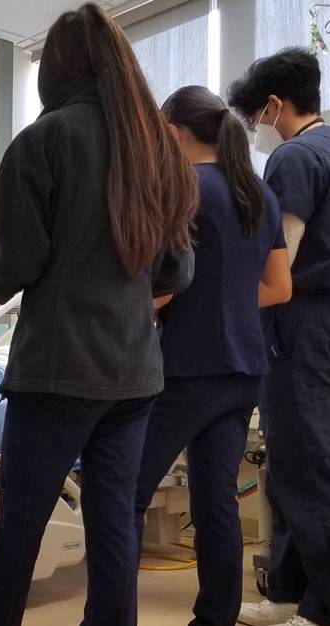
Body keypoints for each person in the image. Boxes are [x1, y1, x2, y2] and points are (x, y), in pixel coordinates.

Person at [0, 5, 198, 626]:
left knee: (19, 525)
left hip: (58, 373)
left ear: (57, 68)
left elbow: (16, 266)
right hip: (135, 377)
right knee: (116, 523)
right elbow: (178, 272)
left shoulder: (43, 141)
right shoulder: (159, 153)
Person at [134, 86, 292, 626]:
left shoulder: (180, 188)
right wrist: (223, 299)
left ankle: (110, 613)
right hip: (247, 368)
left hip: (188, 367)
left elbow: (162, 287)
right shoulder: (258, 192)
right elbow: (279, 287)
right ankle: (215, 619)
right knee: (216, 502)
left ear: (173, 132)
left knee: (126, 493)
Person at [229, 48, 330, 626]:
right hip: (316, 325)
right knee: (300, 463)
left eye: (258, 116)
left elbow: (278, 268)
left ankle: (320, 606)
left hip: (300, 326)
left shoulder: (294, 158)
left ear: (273, 104)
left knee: (303, 466)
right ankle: (289, 591)